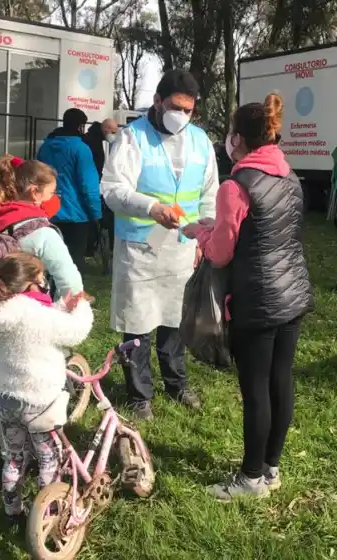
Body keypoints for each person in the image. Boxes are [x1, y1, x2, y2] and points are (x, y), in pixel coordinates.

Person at [183, 93, 314, 500]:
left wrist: (198, 232)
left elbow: (221, 252)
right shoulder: (290, 178)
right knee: (281, 380)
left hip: (257, 298)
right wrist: (217, 225)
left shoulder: (235, 185)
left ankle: (251, 479)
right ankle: (271, 469)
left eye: (230, 133)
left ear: (238, 139)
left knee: (256, 389)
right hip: (292, 293)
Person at [101, 69, 219, 420]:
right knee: (137, 323)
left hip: (183, 247)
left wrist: (204, 237)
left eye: (188, 110)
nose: (180, 115)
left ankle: (176, 383)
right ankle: (140, 396)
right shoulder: (132, 138)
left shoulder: (200, 141)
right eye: (174, 107)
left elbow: (209, 194)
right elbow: (112, 190)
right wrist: (151, 208)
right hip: (140, 248)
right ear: (156, 101)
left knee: (174, 319)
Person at [0, 252, 93, 517]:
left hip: (8, 401)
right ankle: (48, 515)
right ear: (30, 285)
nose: (45, 285)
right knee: (48, 461)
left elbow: (34, 325)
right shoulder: (36, 315)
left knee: (13, 459)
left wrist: (59, 308)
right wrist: (81, 307)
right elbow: (74, 332)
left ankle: (12, 511)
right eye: (42, 281)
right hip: (42, 402)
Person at [0, 154, 83, 299]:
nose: (54, 198)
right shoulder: (43, 233)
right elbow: (69, 281)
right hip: (29, 313)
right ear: (34, 192)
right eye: (51, 193)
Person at [37, 108, 101, 272]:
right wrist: (96, 214)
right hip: (76, 215)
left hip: (49, 212)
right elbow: (89, 185)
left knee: (49, 261)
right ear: (80, 126)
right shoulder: (81, 149)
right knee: (73, 263)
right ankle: (72, 295)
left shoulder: (45, 147)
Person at [82, 118, 119, 257]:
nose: (114, 135)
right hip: (93, 184)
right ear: (105, 129)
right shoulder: (93, 142)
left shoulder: (93, 139)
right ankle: (92, 248)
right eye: (113, 132)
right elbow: (94, 166)